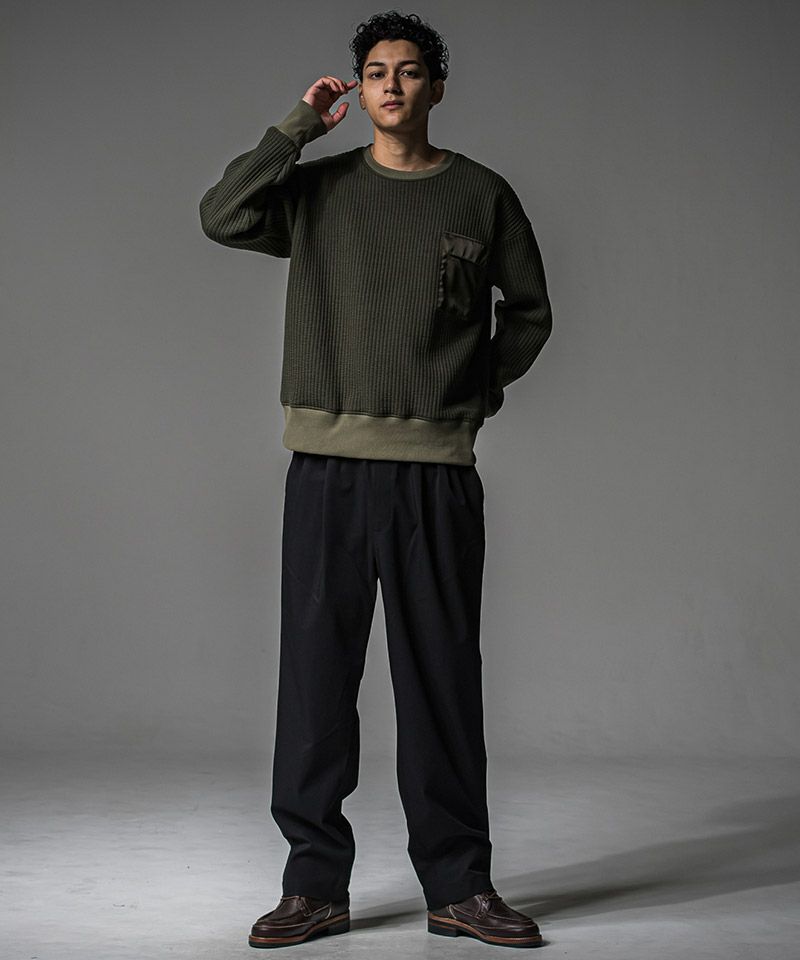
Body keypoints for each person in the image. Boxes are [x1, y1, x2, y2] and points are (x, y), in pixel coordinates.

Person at [199, 9, 553, 950]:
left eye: (408, 70)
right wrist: (297, 126)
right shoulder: (320, 190)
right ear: (358, 92)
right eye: (374, 73)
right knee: (316, 685)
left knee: (442, 682)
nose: (391, 84)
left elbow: (529, 312)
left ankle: (459, 887)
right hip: (327, 471)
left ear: (437, 87)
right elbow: (222, 215)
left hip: (436, 474)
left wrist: (472, 390)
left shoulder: (481, 195)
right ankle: (313, 886)